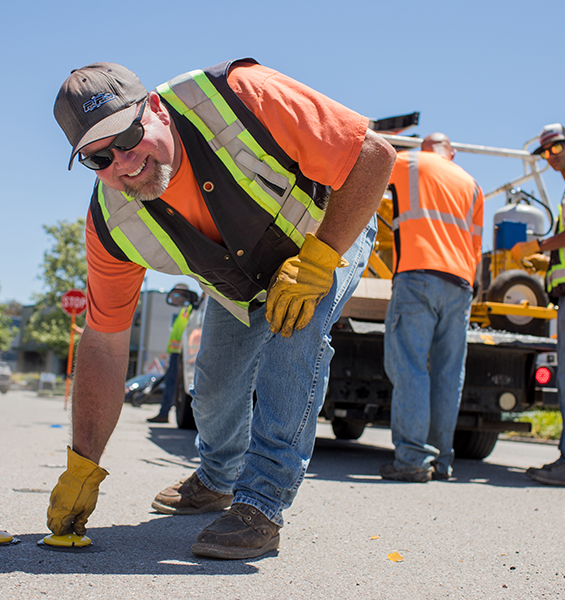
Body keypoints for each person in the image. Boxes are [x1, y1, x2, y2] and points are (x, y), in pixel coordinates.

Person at [47, 59, 395, 559]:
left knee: (296, 334)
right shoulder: (111, 225)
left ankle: (262, 505)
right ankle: (217, 479)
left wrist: (320, 258)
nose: (120, 163)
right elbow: (104, 344)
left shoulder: (239, 94)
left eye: (125, 137)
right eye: (97, 158)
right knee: (212, 387)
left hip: (326, 232)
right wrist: (83, 464)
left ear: (158, 111)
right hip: (243, 282)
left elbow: (373, 155)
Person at [380, 133, 484, 482]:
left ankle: (411, 459)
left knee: (410, 366)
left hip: (418, 274)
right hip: (460, 284)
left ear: (425, 147)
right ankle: (442, 460)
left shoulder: (407, 162)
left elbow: (365, 170)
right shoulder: (472, 185)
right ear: (450, 153)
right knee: (448, 374)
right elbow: (476, 247)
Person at [511, 123, 565, 487]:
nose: (551, 156)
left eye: (556, 148)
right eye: (546, 152)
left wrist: (539, 246)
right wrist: (548, 263)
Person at [147, 284, 192, 424]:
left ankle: (164, 413)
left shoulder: (190, 309)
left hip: (183, 353)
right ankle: (163, 413)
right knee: (171, 383)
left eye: (178, 295)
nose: (175, 298)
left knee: (172, 384)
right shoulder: (184, 310)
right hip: (176, 352)